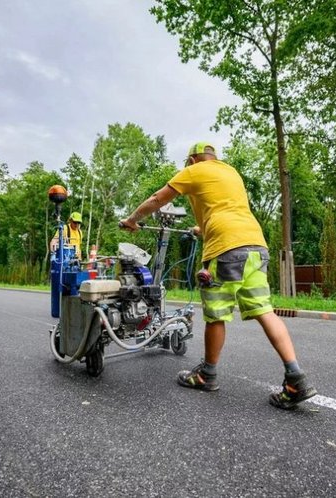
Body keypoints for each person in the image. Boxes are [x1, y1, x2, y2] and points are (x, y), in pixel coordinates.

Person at [119, 142, 316, 410]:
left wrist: (132, 219)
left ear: (192, 160)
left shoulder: (193, 170)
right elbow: (224, 208)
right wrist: (202, 228)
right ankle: (296, 378)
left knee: (215, 315)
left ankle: (206, 374)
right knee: (265, 311)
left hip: (226, 249)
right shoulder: (230, 172)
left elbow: (158, 199)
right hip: (255, 245)